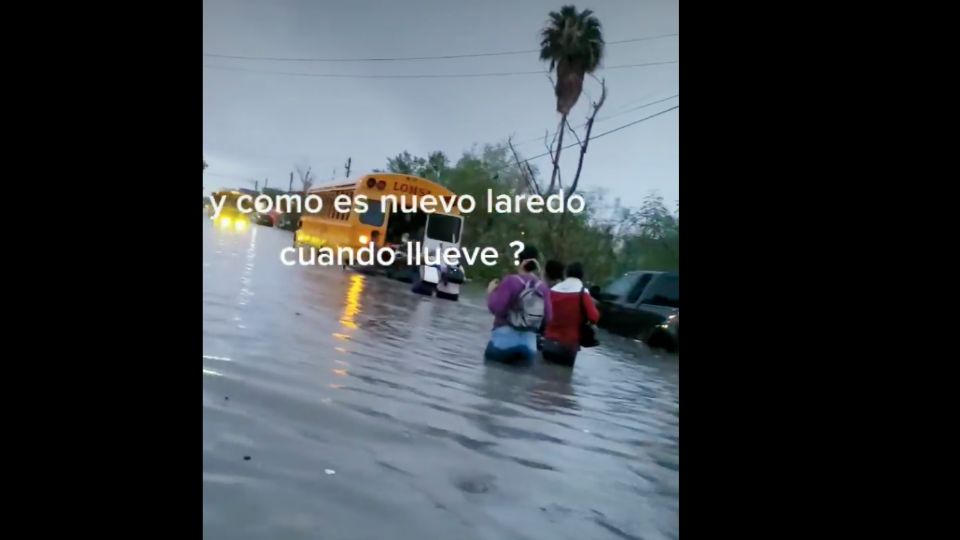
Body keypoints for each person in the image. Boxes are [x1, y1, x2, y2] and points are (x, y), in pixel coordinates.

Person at [484, 245, 552, 363]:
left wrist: (490, 293)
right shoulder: (543, 288)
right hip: (529, 348)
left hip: (503, 345)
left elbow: (496, 308)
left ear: (520, 261)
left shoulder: (510, 281)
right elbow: (548, 318)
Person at [541, 262, 600, 366]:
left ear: (566, 274)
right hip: (568, 347)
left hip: (548, 344)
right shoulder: (583, 293)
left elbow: (544, 314)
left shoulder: (552, 291)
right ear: (582, 276)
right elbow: (594, 317)